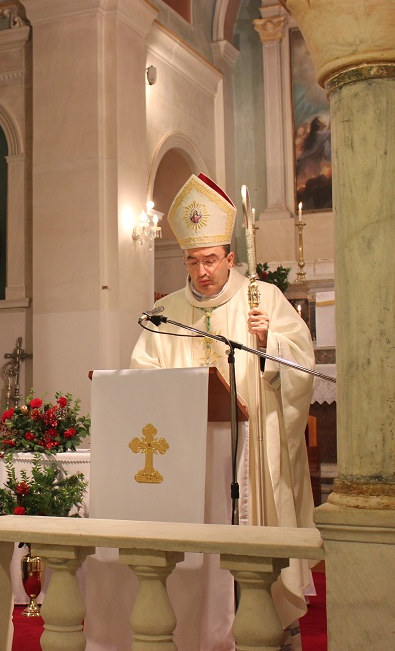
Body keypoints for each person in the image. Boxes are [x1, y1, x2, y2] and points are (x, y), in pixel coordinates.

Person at [130, 173, 316, 642]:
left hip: (251, 447)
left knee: (252, 537)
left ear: (230, 258)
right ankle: (201, 628)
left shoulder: (263, 299)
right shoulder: (166, 312)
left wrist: (268, 341)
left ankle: (270, 628)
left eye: (210, 260)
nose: (202, 271)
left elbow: (301, 362)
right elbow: (143, 371)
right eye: (192, 261)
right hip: (190, 453)